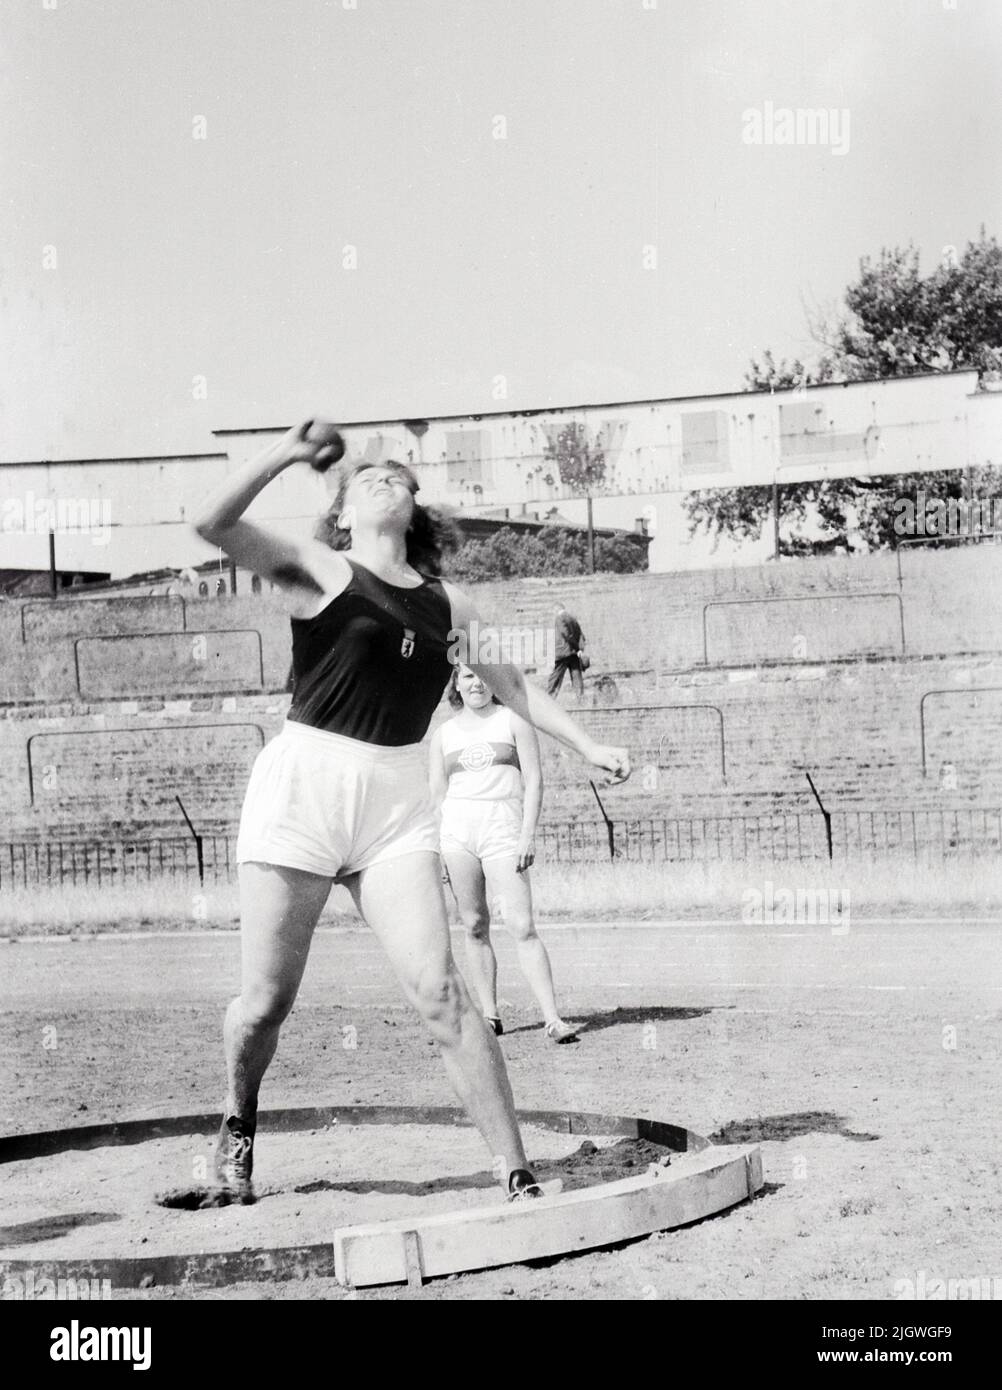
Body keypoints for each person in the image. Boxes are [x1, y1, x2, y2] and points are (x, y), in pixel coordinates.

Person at [192, 420, 631, 1205]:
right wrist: (288, 454)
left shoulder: (446, 601)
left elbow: (515, 687)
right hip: (304, 788)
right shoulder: (316, 569)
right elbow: (211, 524)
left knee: (441, 990)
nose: (384, 479)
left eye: (397, 476)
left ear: (415, 509)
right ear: (342, 515)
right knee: (264, 1005)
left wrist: (587, 746)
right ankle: (237, 1123)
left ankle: (516, 1171)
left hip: (395, 804)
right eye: (366, 479)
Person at [431, 664, 579, 1044]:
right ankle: (489, 1015)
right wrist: (440, 850)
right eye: (466, 677)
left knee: (521, 926)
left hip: (503, 832)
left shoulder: (513, 720)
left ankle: (552, 1018)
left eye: (481, 675)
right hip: (458, 838)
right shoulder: (444, 734)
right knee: (474, 926)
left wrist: (526, 835)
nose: (476, 682)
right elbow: (437, 797)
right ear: (456, 686)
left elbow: (534, 781)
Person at [547, 603, 586, 699]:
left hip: (563, 652)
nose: (553, 613)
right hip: (574, 654)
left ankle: (549, 698)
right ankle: (580, 699)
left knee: (556, 677)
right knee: (577, 677)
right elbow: (581, 635)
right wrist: (579, 650)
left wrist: (576, 648)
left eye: (553, 610)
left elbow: (566, 634)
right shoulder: (573, 618)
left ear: (557, 609)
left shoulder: (560, 618)